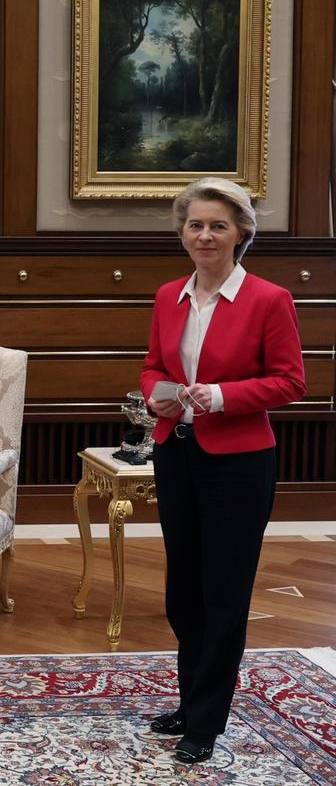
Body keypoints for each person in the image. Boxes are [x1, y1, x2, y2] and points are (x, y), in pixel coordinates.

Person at [141, 177, 305, 764]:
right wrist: (157, 394)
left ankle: (206, 722)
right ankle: (192, 700)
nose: (204, 235)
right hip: (176, 452)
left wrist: (219, 395)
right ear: (183, 234)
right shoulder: (167, 296)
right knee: (183, 590)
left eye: (217, 225)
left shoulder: (268, 299)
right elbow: (154, 364)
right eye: (195, 225)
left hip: (238, 463)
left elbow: (290, 381)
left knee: (224, 592)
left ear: (240, 234)